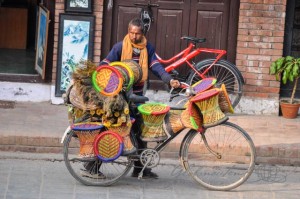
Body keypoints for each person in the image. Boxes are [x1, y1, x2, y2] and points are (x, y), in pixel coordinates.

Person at [99, 18, 180, 179]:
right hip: (119, 97)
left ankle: (140, 169)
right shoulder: (120, 47)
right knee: (112, 128)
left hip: (137, 95)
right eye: (131, 32)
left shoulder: (148, 48)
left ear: (142, 33)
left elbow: (155, 65)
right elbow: (105, 64)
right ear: (128, 31)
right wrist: (109, 75)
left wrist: (169, 79)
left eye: (137, 33)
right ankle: (92, 165)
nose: (134, 36)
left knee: (139, 130)